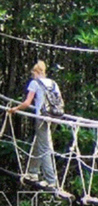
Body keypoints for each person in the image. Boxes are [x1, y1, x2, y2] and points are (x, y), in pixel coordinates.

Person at [9, 60, 61, 188]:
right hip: (55, 117)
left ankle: (51, 180)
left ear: (36, 72)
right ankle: (33, 172)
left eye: (33, 73)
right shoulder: (53, 83)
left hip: (42, 118)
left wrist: (15, 109)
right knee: (40, 142)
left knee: (44, 147)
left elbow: (27, 103)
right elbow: (60, 101)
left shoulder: (35, 83)